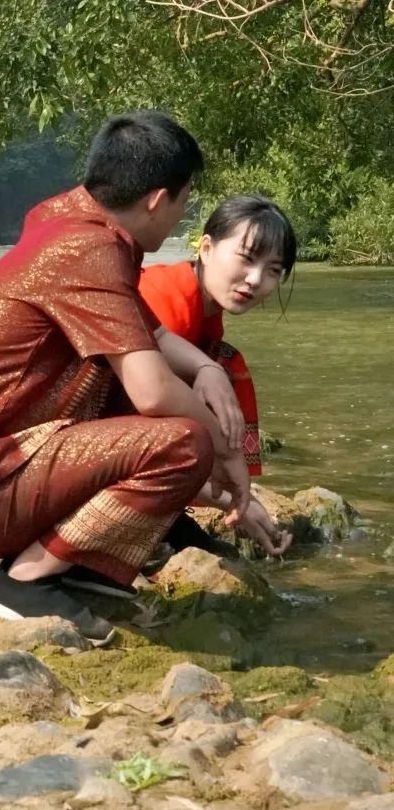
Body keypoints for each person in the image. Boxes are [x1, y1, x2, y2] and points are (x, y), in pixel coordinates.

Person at [0, 111, 281, 622]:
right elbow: (151, 395)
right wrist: (228, 450)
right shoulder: (90, 249)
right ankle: (23, 581)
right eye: (184, 200)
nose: (180, 214)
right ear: (157, 199)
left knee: (187, 407)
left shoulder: (74, 226)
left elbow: (153, 333)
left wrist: (210, 372)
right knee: (183, 440)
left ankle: (80, 565)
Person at [141, 194, 296, 558]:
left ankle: (171, 516)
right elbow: (151, 423)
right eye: (246, 258)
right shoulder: (167, 302)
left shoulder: (207, 318)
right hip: (87, 448)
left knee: (228, 364)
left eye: (273, 270)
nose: (256, 279)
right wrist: (232, 501)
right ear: (206, 248)